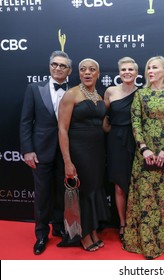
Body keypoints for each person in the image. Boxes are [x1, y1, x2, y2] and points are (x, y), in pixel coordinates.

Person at [122, 56, 164, 259]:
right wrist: (144, 148)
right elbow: (136, 122)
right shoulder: (140, 94)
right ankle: (144, 243)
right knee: (146, 198)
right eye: (148, 67)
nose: (150, 70)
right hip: (144, 154)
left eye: (154, 67)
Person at [20, 50, 72, 255]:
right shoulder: (34, 88)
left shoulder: (75, 90)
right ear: (50, 67)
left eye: (62, 66)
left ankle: (58, 226)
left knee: (63, 192)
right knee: (42, 194)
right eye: (55, 64)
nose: (58, 68)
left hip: (66, 151)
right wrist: (27, 150)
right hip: (41, 151)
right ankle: (41, 234)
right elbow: (25, 122)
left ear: (69, 70)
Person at [58, 58, 110, 252]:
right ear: (78, 73)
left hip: (97, 150)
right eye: (83, 70)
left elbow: (104, 126)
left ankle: (93, 229)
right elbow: (62, 129)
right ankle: (83, 234)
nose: (87, 73)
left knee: (95, 188)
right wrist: (67, 161)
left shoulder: (99, 96)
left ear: (98, 74)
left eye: (92, 69)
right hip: (79, 150)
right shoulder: (71, 95)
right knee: (84, 190)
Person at [103, 57, 138, 242]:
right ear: (119, 72)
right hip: (116, 141)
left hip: (137, 141)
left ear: (136, 73)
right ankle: (123, 224)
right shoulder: (110, 91)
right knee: (119, 186)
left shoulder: (141, 93)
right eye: (123, 69)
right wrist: (108, 129)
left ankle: (136, 223)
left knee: (136, 185)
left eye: (130, 69)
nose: (127, 72)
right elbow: (102, 115)